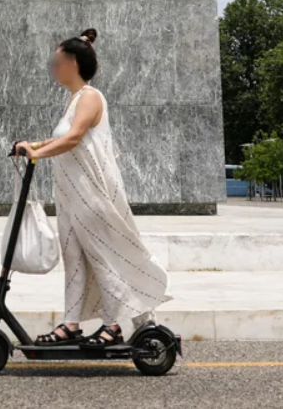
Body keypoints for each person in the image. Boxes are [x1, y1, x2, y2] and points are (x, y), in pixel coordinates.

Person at [15, 29, 170, 347]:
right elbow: (64, 137)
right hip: (72, 196)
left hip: (92, 193)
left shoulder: (91, 97)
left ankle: (113, 325)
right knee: (74, 256)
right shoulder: (74, 100)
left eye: (56, 61)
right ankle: (70, 323)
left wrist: (37, 154)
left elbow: (74, 138)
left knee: (101, 255)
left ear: (72, 63)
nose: (52, 67)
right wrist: (33, 144)